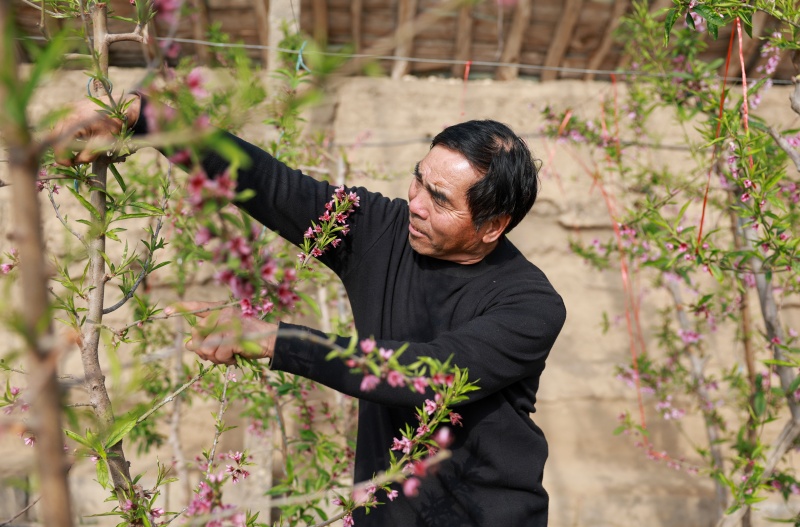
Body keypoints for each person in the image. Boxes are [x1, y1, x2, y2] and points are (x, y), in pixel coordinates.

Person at [55, 93, 566, 526]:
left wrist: (275, 339)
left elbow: (424, 374)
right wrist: (140, 116)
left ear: (493, 225)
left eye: (440, 198)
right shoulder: (378, 231)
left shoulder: (530, 305)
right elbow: (271, 185)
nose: (416, 202)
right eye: (418, 179)